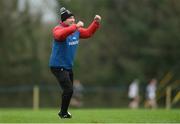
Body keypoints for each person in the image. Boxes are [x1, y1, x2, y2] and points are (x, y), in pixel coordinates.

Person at [49, 7, 101, 119]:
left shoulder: (75, 30)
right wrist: (75, 26)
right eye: (70, 18)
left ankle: (64, 112)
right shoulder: (58, 29)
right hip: (57, 66)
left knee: (69, 91)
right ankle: (63, 113)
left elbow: (87, 33)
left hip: (67, 66)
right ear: (64, 20)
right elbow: (60, 35)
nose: (73, 20)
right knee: (68, 89)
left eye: (73, 18)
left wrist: (95, 23)